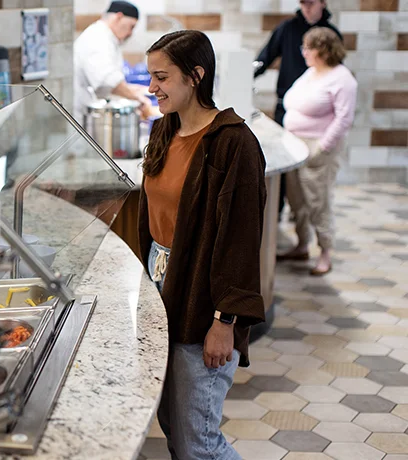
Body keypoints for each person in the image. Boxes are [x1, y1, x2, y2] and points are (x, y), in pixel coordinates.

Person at [138, 30, 266, 459]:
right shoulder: (163, 130)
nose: (151, 88)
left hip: (203, 300)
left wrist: (225, 320)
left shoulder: (234, 143)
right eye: (150, 76)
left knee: (198, 442)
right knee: (175, 426)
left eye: (161, 77)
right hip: (161, 293)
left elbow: (241, 240)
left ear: (196, 76)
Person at [276, 27, 357, 276]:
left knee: (318, 201)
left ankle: (325, 252)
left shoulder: (343, 79)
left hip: (318, 147)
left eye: (308, 48)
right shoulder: (311, 73)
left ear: (323, 50)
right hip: (295, 144)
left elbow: (344, 119)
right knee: (296, 199)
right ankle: (301, 245)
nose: (304, 52)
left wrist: (322, 147)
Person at [254, 0, 343, 221]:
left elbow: (337, 80)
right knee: (285, 174)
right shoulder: (287, 28)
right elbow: (264, 59)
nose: (306, 8)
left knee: (312, 182)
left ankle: (306, 224)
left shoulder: (331, 35)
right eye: (302, 3)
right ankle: (278, 216)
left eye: (310, 3)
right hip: (288, 108)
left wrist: (324, 144)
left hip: (317, 120)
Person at [73, 0, 154, 124]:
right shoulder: (97, 37)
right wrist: (137, 97)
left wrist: (136, 90)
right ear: (119, 17)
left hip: (91, 114)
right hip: (84, 117)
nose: (130, 33)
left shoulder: (107, 37)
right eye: (131, 26)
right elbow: (107, 81)